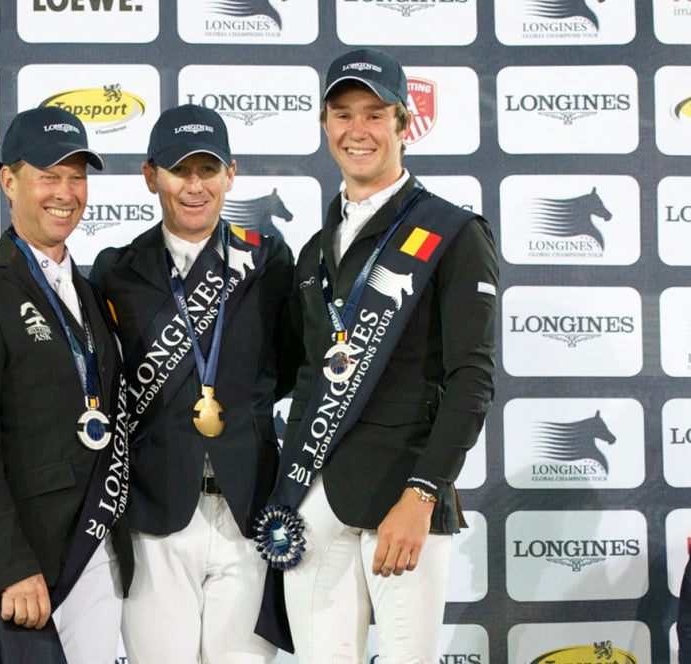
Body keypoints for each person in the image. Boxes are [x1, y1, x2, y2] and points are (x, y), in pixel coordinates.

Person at [257, 48, 498, 663]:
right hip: (314, 500)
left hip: (403, 499)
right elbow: (307, 374)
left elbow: (471, 380)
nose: (357, 130)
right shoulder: (314, 249)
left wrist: (423, 494)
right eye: (342, 114)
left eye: (374, 114)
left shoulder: (453, 232)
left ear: (403, 123)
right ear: (324, 125)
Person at [89, 104, 299, 663]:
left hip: (248, 509)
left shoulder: (268, 261)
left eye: (208, 170)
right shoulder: (116, 270)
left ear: (231, 174)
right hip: (155, 511)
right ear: (150, 176)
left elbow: (288, 367)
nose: (195, 186)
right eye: (180, 170)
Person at [0, 106, 131, 664]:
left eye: (77, 176)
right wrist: (10, 565)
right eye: (48, 175)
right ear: (9, 180)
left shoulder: (92, 295)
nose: (65, 192)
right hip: (25, 564)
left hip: (98, 551)